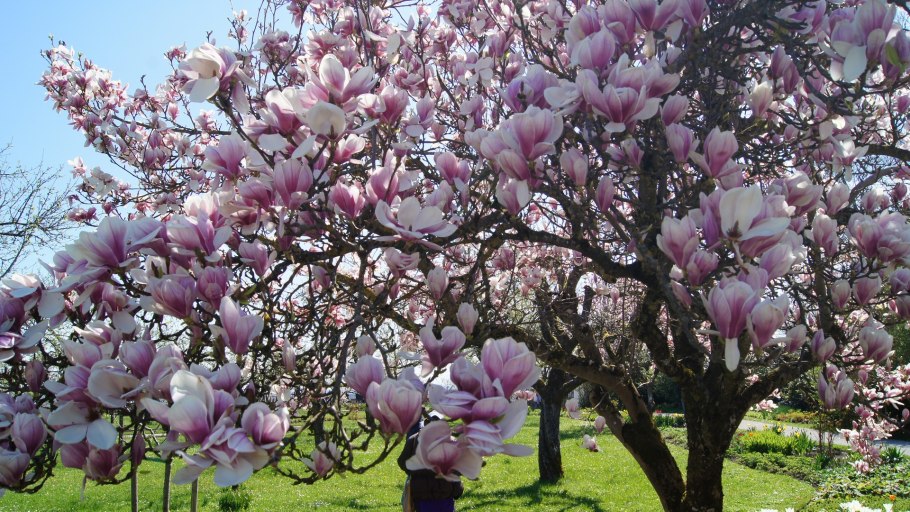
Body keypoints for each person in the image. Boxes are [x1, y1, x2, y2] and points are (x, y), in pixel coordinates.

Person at [398, 415, 463, 512]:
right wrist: (457, 490)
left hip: (421, 494)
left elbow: (402, 462)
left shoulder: (414, 439)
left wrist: (415, 472)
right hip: (444, 493)